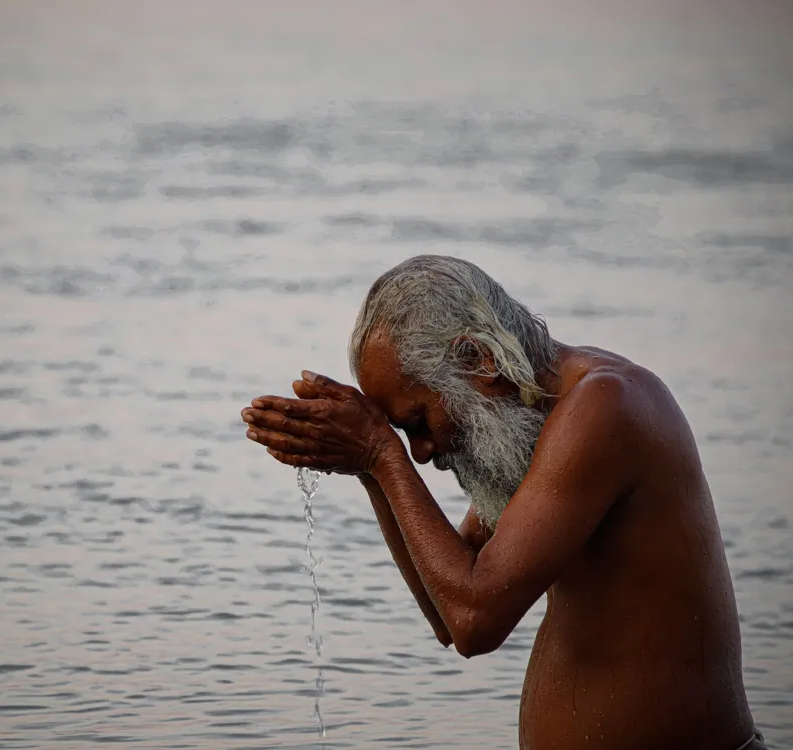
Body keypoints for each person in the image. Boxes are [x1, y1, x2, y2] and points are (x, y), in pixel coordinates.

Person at [241, 255, 766, 749]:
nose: (421, 453)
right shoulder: (536, 421)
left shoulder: (606, 407)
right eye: (404, 435)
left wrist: (381, 453)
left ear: (477, 359)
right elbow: (446, 613)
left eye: (418, 423)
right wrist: (369, 466)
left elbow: (475, 619)